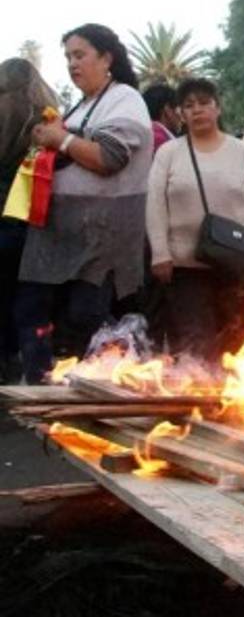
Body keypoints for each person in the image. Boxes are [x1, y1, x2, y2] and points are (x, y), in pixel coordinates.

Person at [16, 24, 153, 383]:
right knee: (38, 316)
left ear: (106, 58)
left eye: (80, 55)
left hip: (101, 240)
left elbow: (109, 157)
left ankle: (128, 375)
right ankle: (47, 393)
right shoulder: (81, 105)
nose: (72, 65)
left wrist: (60, 140)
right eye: (68, 58)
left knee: (86, 318)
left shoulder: (125, 98)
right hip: (60, 239)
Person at [146, 79, 244, 360]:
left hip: (236, 262)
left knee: (236, 338)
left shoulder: (243, 152)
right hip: (184, 266)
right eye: (188, 106)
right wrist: (160, 253)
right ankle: (198, 399)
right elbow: (155, 204)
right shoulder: (168, 153)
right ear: (180, 113)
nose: (197, 110)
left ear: (217, 108)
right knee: (195, 340)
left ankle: (232, 401)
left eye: (204, 103)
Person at [0, 58, 58, 382]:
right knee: (31, 309)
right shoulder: (48, 120)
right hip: (37, 224)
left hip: (2, 222)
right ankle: (36, 380)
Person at [142, 83, 181, 152]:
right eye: (178, 107)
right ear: (167, 110)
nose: (181, 114)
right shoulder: (161, 140)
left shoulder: (146, 131)